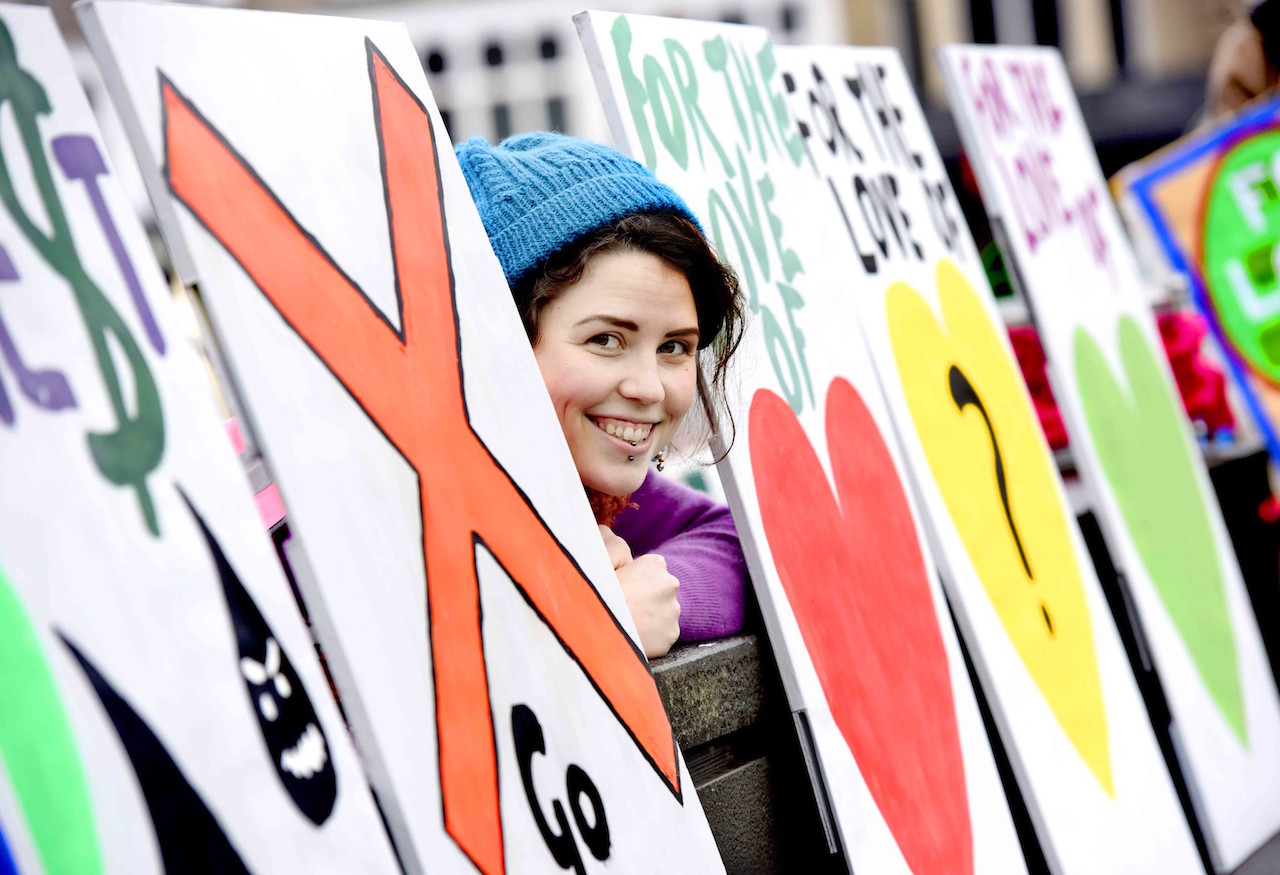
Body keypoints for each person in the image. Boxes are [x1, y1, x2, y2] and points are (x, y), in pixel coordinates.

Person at [455, 132, 748, 659]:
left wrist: (654, 592)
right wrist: (571, 616)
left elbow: (735, 542)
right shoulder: (383, 506)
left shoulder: (583, 488)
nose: (649, 387)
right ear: (499, 339)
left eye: (675, 346)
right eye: (606, 340)